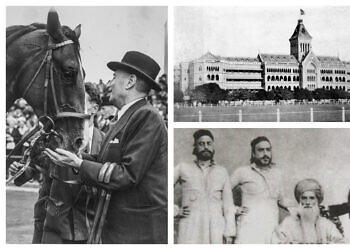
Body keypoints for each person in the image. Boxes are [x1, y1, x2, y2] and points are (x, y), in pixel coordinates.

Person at [44, 51, 168, 244]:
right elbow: (104, 162)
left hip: (138, 233)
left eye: (114, 77)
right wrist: (75, 157)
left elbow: (127, 174)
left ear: (130, 82)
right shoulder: (127, 116)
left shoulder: (146, 116)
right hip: (121, 230)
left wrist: (78, 163)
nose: (109, 83)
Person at [8, 85, 106, 244]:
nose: (74, 106)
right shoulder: (52, 136)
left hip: (86, 225)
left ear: (94, 108)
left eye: (80, 101)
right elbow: (25, 174)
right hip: (49, 222)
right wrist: (19, 171)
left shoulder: (104, 140)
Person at [174, 129, 235, 244]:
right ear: (195, 147)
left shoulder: (222, 172)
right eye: (201, 144)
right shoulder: (183, 168)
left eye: (209, 143)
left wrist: (229, 233)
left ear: (213, 146)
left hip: (215, 230)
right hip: (190, 230)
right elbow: (163, 185)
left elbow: (228, 206)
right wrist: (175, 211)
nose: (206, 147)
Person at [230, 136, 293, 243]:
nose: (265, 154)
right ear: (253, 153)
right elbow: (222, 193)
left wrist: (303, 204)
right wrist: (234, 210)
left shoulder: (277, 174)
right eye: (261, 150)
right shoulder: (242, 172)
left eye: (268, 150)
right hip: (248, 232)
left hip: (271, 231)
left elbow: (281, 200)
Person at [271, 179, 344, 244]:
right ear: (299, 201)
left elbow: (341, 243)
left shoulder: (326, 224)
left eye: (312, 198)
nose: (308, 202)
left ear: (317, 201)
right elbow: (276, 242)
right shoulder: (288, 223)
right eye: (304, 198)